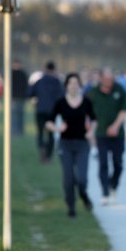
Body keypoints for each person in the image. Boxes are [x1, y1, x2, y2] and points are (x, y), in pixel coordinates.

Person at [46, 73, 97, 218]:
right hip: (65, 144)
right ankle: (71, 207)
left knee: (82, 179)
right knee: (68, 179)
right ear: (66, 86)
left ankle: (84, 195)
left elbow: (94, 119)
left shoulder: (86, 102)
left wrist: (91, 132)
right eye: (70, 83)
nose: (73, 85)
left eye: (76, 83)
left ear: (80, 85)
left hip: (82, 144)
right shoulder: (60, 102)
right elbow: (48, 122)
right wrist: (57, 128)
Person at [87, 68, 126, 205]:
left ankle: (113, 185)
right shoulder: (93, 93)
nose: (109, 82)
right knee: (103, 163)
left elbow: (124, 110)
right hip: (101, 134)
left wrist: (116, 126)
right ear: (100, 78)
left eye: (111, 79)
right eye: (106, 79)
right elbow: (87, 113)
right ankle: (105, 192)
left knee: (118, 164)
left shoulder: (119, 90)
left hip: (118, 134)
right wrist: (90, 131)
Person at [28, 61, 64, 162]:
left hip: (40, 110)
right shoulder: (57, 82)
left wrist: (36, 100)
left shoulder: (39, 81)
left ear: (45, 69)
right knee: (51, 134)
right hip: (52, 111)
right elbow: (62, 95)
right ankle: (48, 156)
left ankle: (41, 148)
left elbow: (30, 93)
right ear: (54, 70)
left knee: (40, 132)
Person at [10, 59, 29, 137]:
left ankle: (19, 131)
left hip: (19, 97)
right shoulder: (12, 73)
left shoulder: (22, 74)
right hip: (15, 97)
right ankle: (15, 131)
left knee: (19, 115)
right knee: (15, 115)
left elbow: (26, 85)